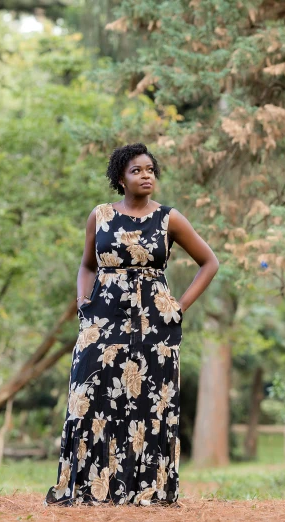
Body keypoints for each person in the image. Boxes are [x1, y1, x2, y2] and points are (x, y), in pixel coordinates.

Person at [44, 143, 219, 506]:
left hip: (154, 326)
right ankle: (90, 489)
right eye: (137, 170)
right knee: (87, 397)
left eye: (151, 170)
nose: (146, 176)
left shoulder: (170, 218)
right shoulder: (101, 216)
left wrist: (178, 307)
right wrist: (83, 303)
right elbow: (88, 265)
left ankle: (146, 491)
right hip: (103, 320)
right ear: (120, 178)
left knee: (148, 404)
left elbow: (209, 262)